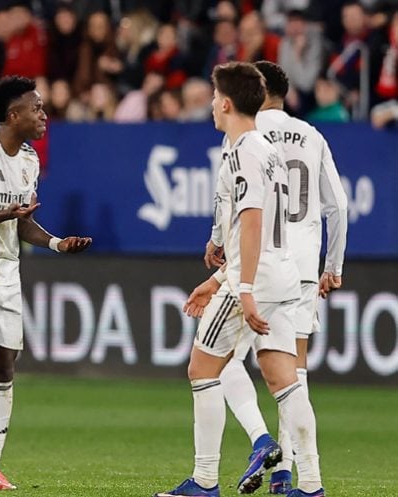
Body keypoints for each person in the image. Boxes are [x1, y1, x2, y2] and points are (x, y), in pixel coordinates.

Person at [155, 62, 324, 497]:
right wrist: (217, 280)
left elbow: (252, 223)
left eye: (215, 97)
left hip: (256, 279)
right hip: (284, 275)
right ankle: (311, 484)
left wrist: (242, 288)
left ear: (227, 103)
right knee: (283, 378)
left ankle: (204, 481)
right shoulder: (266, 149)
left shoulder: (244, 151)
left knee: (201, 368)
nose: (212, 105)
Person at [0, 76, 91, 491]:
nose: (44, 115)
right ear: (13, 115)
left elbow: (23, 224)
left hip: (7, 271)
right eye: (36, 108)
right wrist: (9, 213)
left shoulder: (29, 159)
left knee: (5, 363)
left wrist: (57, 243)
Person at [208, 61, 347, 495]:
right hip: (300, 267)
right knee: (292, 373)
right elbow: (338, 206)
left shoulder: (246, 134)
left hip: (257, 260)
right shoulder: (311, 134)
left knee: (218, 362)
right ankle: (294, 475)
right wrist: (333, 266)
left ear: (257, 88)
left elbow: (230, 200)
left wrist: (217, 243)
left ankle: (258, 443)